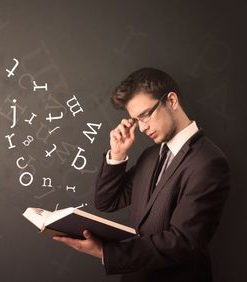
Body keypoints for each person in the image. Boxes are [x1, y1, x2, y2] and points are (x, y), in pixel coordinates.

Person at [53, 67, 231, 282]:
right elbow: (107, 201)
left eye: (145, 115)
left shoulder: (209, 162)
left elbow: (183, 241)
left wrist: (105, 252)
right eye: (137, 120)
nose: (143, 127)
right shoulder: (150, 155)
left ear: (172, 101)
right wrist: (118, 154)